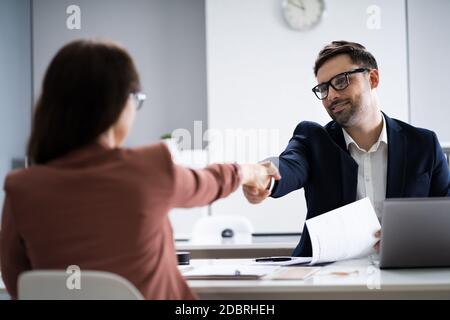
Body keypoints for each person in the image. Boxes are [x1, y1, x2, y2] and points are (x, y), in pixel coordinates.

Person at [0, 39, 280, 300]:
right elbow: (209, 183)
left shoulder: (21, 187)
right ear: (121, 102)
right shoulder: (148, 167)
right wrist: (251, 171)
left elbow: (20, 283)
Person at [243, 40, 450, 257]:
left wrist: (410, 236)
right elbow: (289, 166)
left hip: (405, 276)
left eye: (341, 81)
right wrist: (264, 175)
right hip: (331, 280)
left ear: (373, 78)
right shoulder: (313, 140)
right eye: (323, 88)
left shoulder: (423, 144)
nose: (331, 95)